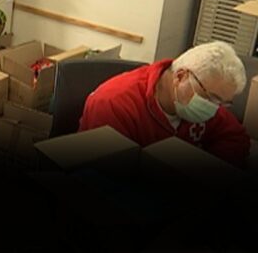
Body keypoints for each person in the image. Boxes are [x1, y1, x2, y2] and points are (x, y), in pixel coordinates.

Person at [79, 41, 250, 167]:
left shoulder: (205, 95)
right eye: (210, 98)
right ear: (180, 77)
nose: (213, 108)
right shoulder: (113, 104)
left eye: (222, 103)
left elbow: (236, 138)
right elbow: (104, 174)